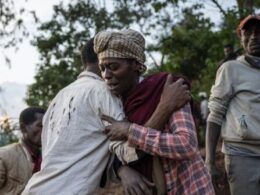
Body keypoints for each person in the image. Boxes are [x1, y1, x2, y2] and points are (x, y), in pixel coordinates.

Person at [22, 38, 188, 195]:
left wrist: (121, 169)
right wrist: (165, 107)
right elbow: (131, 152)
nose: (108, 75)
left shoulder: (58, 98)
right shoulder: (103, 92)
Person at [94, 29, 214, 195]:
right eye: (102, 68)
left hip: (188, 187)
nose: (106, 75)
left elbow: (186, 144)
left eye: (113, 66)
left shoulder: (167, 87)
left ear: (136, 64)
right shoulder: (109, 103)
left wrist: (129, 130)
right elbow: (109, 152)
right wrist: (122, 170)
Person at [205, 15, 260, 195]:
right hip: (242, 154)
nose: (254, 37)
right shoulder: (230, 69)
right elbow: (215, 114)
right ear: (241, 38)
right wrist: (210, 161)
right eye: (248, 33)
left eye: (259, 32)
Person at [0, 107, 45, 195]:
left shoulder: (48, 158)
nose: (45, 130)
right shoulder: (4, 155)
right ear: (23, 128)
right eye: (40, 125)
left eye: (48, 126)